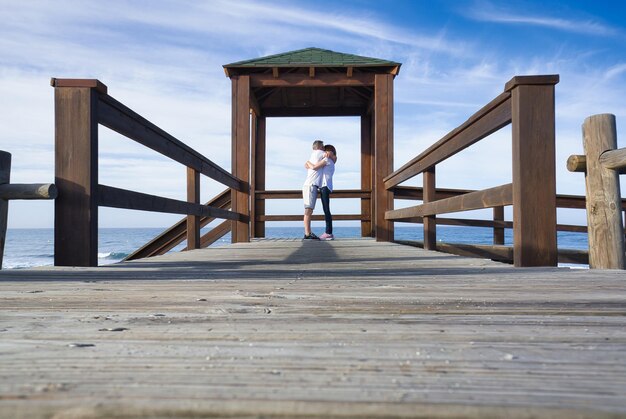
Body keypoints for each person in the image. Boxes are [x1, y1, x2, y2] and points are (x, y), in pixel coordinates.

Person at [305, 144, 336, 240]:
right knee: (326, 210)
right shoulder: (330, 160)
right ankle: (328, 232)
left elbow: (314, 167)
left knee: (326, 210)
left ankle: (328, 233)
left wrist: (308, 162)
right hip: (325, 186)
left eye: (324, 150)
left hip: (325, 186)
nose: (322, 152)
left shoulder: (327, 159)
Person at [302, 140, 325, 240]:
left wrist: (307, 163)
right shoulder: (320, 153)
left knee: (309, 209)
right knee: (308, 210)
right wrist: (329, 153)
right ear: (320, 147)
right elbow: (330, 155)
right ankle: (307, 233)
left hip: (310, 186)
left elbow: (306, 165)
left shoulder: (313, 155)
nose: (324, 148)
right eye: (323, 146)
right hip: (311, 186)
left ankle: (307, 232)